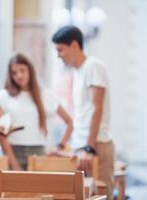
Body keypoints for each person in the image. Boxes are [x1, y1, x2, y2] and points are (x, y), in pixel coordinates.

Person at [52, 25, 114, 200]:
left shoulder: (94, 66)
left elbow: (97, 107)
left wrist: (89, 147)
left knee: (102, 196)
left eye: (60, 50)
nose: (58, 55)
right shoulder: (77, 72)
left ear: (74, 45)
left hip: (96, 146)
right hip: (82, 147)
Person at [0, 53, 73, 170]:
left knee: (40, 188)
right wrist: (14, 164)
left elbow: (69, 122)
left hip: (39, 153)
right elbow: (1, 135)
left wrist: (60, 146)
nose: (19, 75)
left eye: (22, 70)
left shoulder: (46, 95)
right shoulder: (3, 96)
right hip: (13, 152)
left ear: (30, 71)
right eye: (14, 72)